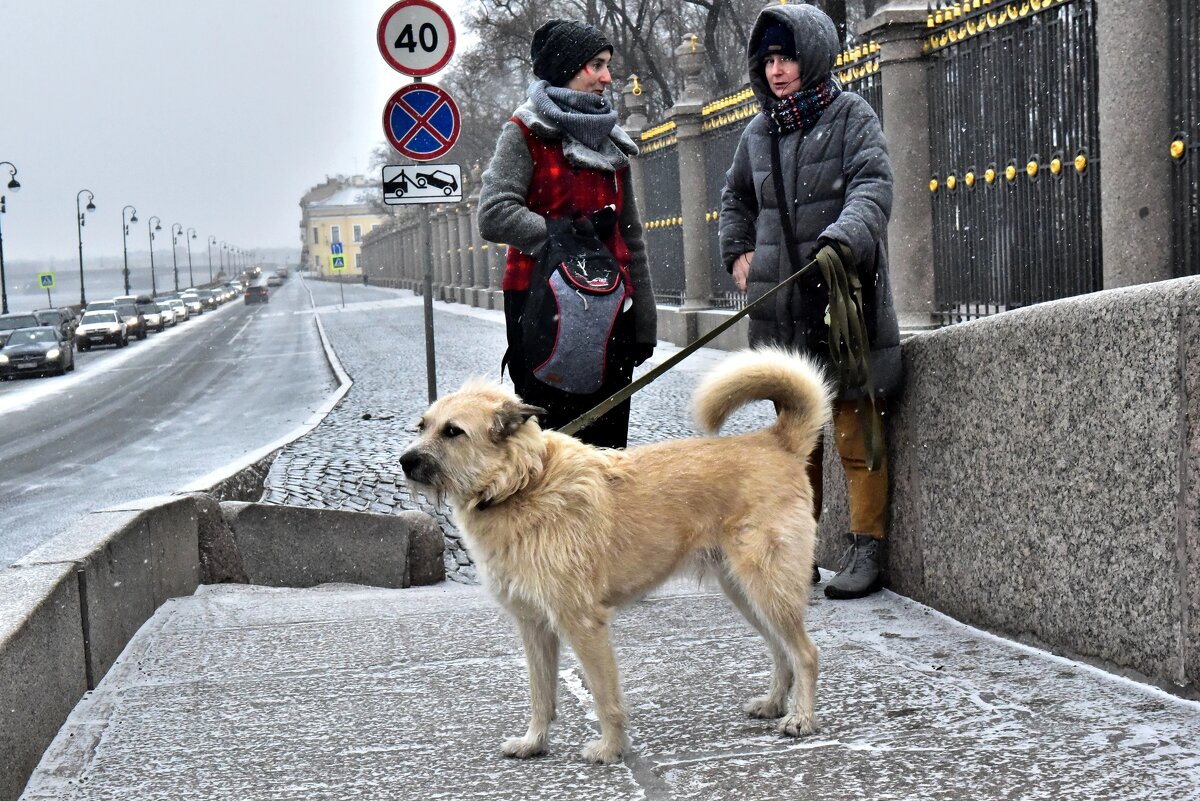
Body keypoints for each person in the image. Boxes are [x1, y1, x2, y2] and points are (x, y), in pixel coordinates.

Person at [719, 3, 902, 600]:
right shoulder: (756, 133)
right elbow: (735, 200)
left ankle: (866, 548)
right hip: (783, 308)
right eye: (769, 59)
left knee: (855, 430)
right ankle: (803, 553)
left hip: (843, 303)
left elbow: (874, 185)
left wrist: (841, 240)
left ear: (815, 57)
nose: (777, 71)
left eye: (788, 57)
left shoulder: (852, 116)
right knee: (796, 441)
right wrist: (739, 252)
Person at [478, 18, 656, 450]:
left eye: (607, 65)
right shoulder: (524, 132)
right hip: (539, 306)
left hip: (613, 307)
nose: (607, 77)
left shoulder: (612, 143)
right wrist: (563, 242)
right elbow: (494, 214)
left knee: (607, 451)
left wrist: (646, 317)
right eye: (596, 65)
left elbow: (631, 237)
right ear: (566, 68)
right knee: (548, 451)